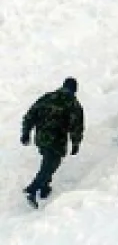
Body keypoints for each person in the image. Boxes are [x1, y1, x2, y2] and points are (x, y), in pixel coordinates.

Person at [20, 78, 84, 208]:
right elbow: (76, 126)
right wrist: (76, 143)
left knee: (48, 161)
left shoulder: (47, 97)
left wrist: (26, 133)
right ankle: (32, 189)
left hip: (41, 137)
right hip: (56, 141)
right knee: (51, 165)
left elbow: (30, 114)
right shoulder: (73, 103)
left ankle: (44, 187)